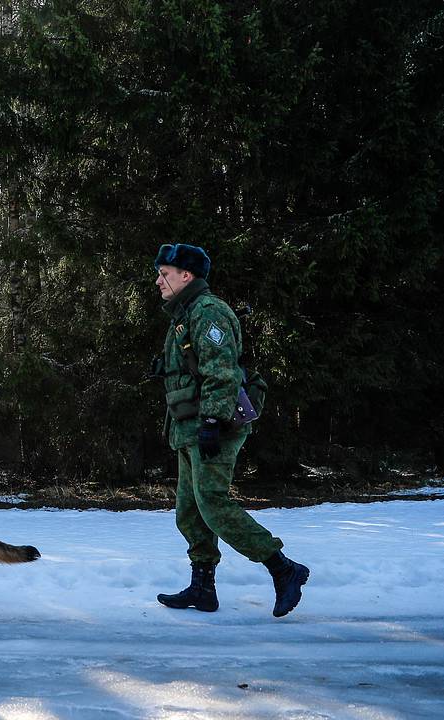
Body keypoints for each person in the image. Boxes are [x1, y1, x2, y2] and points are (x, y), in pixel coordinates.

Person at [152, 244, 310, 618]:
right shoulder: (184, 313)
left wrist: (211, 421)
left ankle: (284, 569)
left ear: (186, 276)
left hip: (213, 426)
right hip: (190, 426)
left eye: (165, 274)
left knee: (213, 504)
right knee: (188, 512)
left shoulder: (209, 311)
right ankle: (203, 587)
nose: (158, 281)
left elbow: (221, 371)